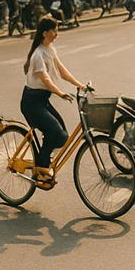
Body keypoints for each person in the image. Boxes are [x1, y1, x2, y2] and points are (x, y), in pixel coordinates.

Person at [22, 16, 88, 188]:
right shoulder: (38, 54)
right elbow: (45, 79)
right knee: (57, 134)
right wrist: (60, 93)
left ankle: (43, 158)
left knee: (62, 136)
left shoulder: (50, 49)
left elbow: (61, 69)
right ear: (45, 33)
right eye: (54, 30)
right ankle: (41, 172)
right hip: (32, 103)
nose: (57, 33)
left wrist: (79, 84)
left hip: (42, 101)